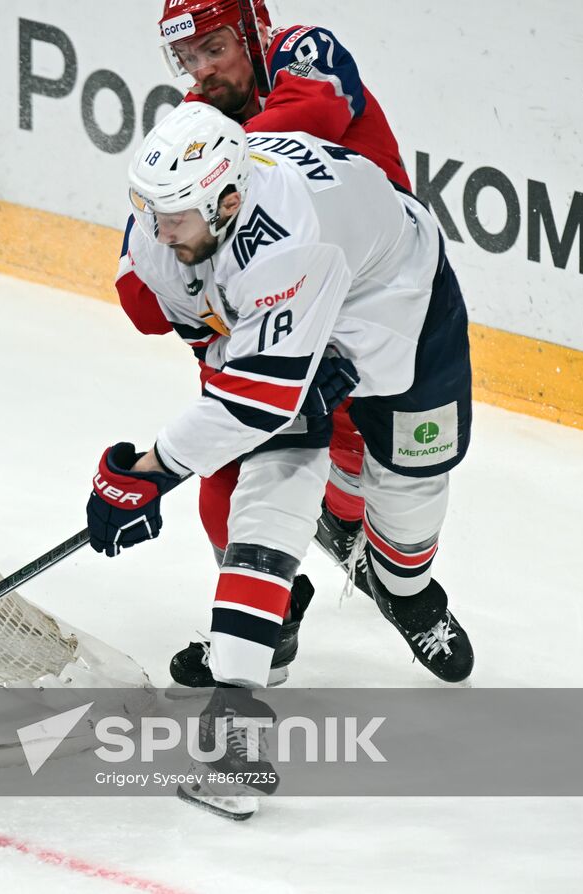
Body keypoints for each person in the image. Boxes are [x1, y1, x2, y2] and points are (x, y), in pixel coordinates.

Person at [89, 103, 475, 687]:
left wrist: (151, 470)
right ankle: (258, 645)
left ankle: (408, 594)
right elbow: (229, 372)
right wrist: (168, 464)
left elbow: (253, 403)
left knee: (407, 483)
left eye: (174, 217)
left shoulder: (287, 241)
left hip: (401, 302)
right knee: (270, 469)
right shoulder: (163, 236)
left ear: (228, 203)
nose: (159, 234)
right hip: (297, 297)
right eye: (148, 212)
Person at [117, 0, 416, 687]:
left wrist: (205, 171)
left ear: (252, 29)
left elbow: (310, 119)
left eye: (214, 48)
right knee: (220, 478)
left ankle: (368, 548)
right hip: (264, 304)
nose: (202, 70)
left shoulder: (302, 50)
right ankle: (268, 620)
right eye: (186, 59)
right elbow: (144, 298)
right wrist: (162, 224)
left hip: (364, 299)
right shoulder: (201, 123)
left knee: (358, 444)